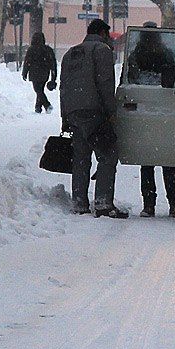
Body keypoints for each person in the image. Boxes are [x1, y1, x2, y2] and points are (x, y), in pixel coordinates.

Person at [60, 18, 125, 218]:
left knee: (81, 158)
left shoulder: (70, 53)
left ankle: (79, 202)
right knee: (108, 154)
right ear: (103, 33)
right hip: (94, 111)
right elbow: (105, 83)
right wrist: (111, 112)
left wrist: (65, 117)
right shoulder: (101, 51)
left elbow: (64, 87)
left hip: (74, 112)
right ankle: (103, 203)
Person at [130, 25, 175, 218]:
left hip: (145, 110)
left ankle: (149, 205)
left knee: (148, 161)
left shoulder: (135, 55)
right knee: (167, 159)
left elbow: (131, 78)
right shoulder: (165, 53)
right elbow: (174, 78)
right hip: (163, 110)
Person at [21, 30, 57, 114]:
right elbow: (53, 64)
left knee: (38, 90)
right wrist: (53, 77)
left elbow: (27, 62)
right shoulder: (48, 50)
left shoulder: (31, 49)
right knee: (40, 89)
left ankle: (47, 105)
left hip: (34, 73)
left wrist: (25, 72)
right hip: (45, 73)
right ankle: (38, 108)